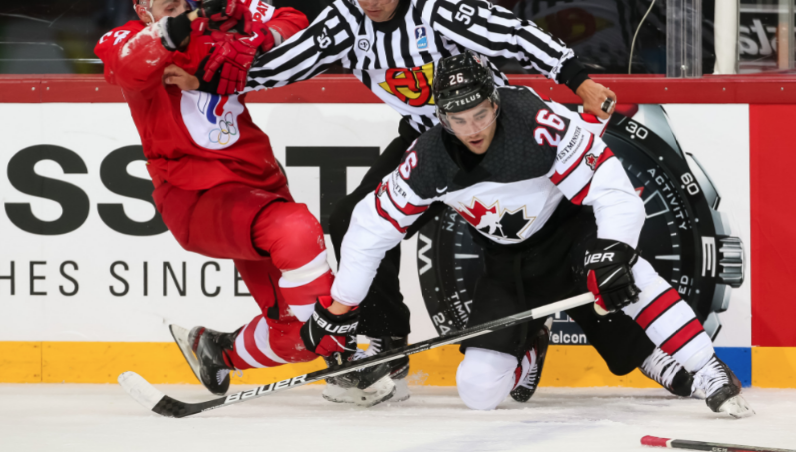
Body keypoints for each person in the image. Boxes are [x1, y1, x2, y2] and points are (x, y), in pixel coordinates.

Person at [193, 0, 618, 405]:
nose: (369, 1)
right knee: (354, 219)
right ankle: (386, 344)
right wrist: (203, 78)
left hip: (494, 136)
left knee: (519, 241)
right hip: (430, 143)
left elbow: (513, 34)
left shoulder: (442, 7)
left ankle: (529, 336)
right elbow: (282, 65)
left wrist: (577, 79)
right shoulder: (346, 21)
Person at [301, 51, 752, 417]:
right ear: (440, 117)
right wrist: (341, 307)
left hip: (570, 237)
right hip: (507, 266)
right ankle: (531, 345)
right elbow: (369, 226)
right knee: (477, 392)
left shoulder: (537, 123)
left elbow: (610, 184)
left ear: (495, 103)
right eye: (459, 119)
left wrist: (614, 249)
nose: (473, 129)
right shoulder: (427, 159)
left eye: (481, 114)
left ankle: (707, 367)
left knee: (625, 273)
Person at [93, 0, 370, 400]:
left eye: (189, 1)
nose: (184, 10)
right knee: (297, 230)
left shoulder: (214, 11)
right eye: (170, 6)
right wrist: (185, 27)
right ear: (143, 7)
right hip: (197, 197)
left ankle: (216, 350)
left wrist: (251, 27)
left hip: (260, 183)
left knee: (297, 338)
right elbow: (127, 65)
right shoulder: (124, 37)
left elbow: (295, 23)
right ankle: (344, 352)